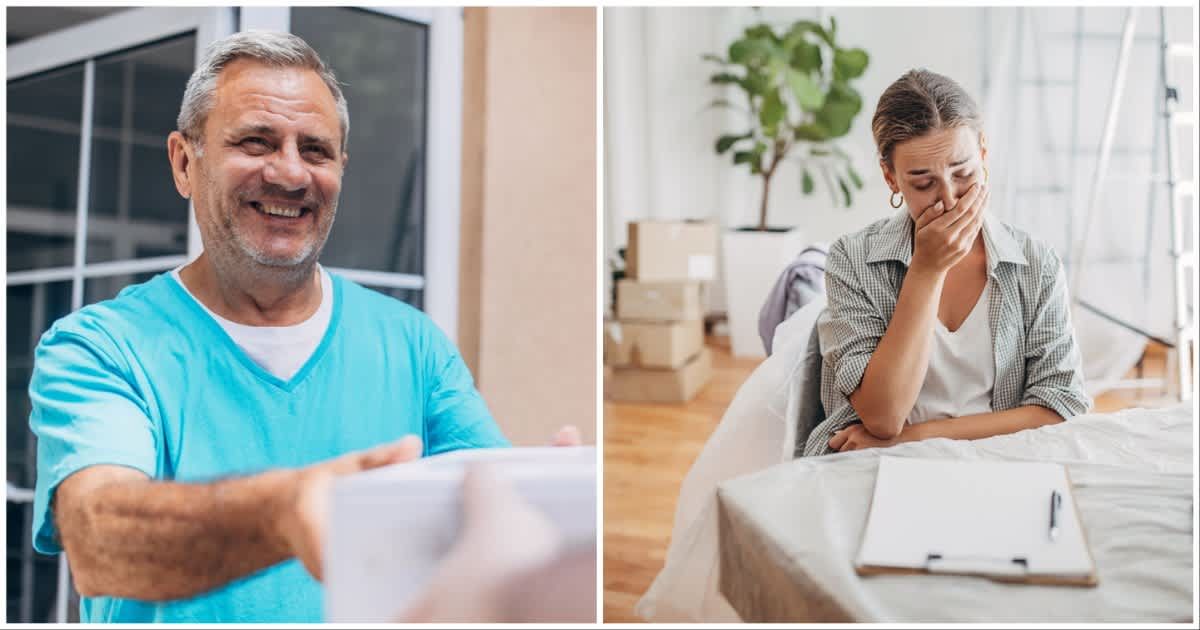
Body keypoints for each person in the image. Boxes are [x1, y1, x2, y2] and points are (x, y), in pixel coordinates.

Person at [28, 30, 578, 622]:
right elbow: (98, 542)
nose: (290, 174)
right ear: (185, 162)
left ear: (340, 167)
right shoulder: (100, 347)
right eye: (256, 142)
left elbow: (486, 509)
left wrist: (554, 505)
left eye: (315, 150)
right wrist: (281, 514)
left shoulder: (413, 344)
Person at [803, 68, 1092, 457]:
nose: (950, 200)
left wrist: (919, 437)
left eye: (963, 172)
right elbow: (883, 418)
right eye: (923, 183)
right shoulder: (853, 260)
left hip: (996, 463)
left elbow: (1062, 406)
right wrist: (927, 269)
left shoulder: (1035, 263)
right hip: (875, 464)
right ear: (891, 178)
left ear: (984, 154)